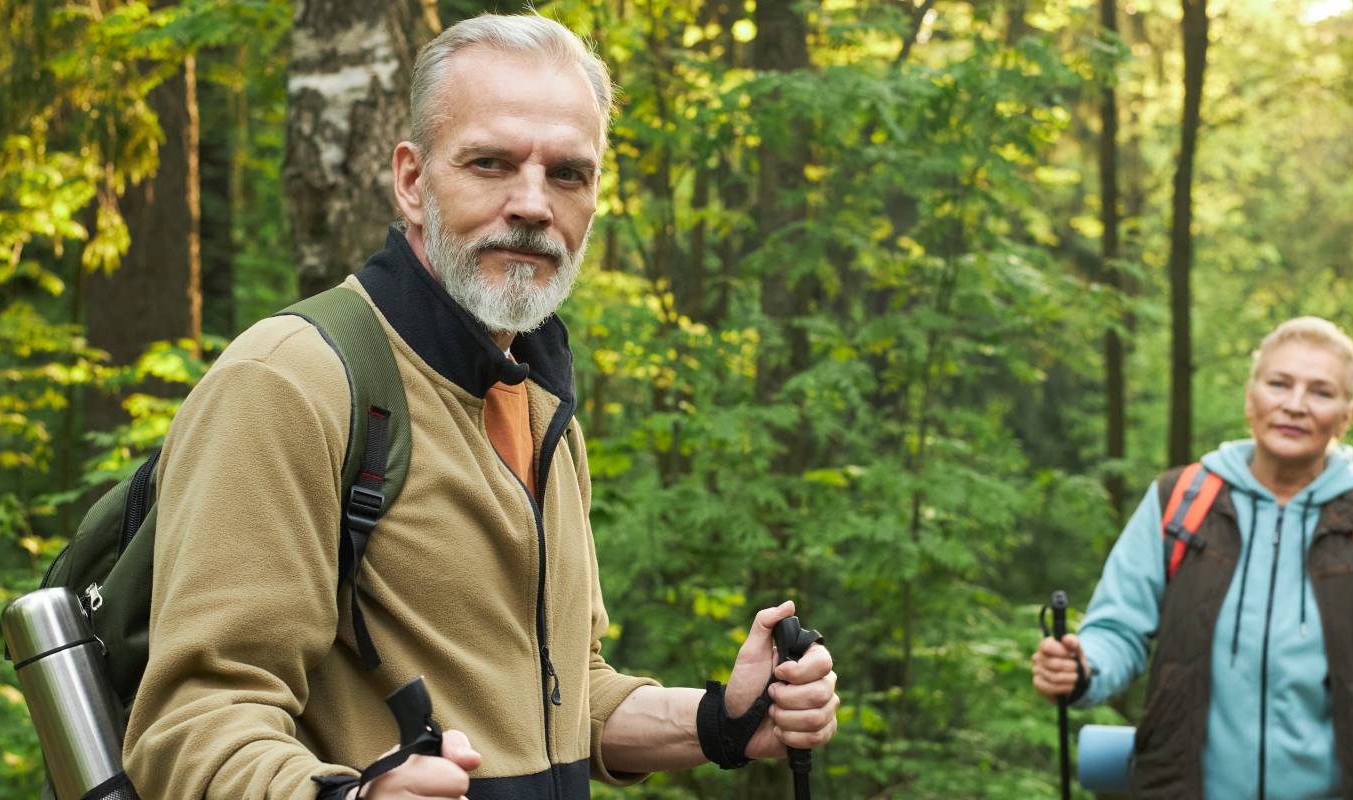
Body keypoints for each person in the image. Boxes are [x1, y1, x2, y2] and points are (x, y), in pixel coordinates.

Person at [122, 14, 838, 798]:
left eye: (568, 173)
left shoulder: (537, 402)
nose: (533, 205)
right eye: (491, 163)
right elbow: (192, 725)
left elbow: (562, 696)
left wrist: (723, 721)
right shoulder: (293, 382)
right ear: (411, 181)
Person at [1030, 317, 1353, 799]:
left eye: (1321, 392)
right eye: (1279, 383)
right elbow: (1118, 633)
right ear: (1250, 399)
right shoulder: (1180, 503)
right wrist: (1082, 667)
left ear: (1345, 415)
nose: (1295, 405)